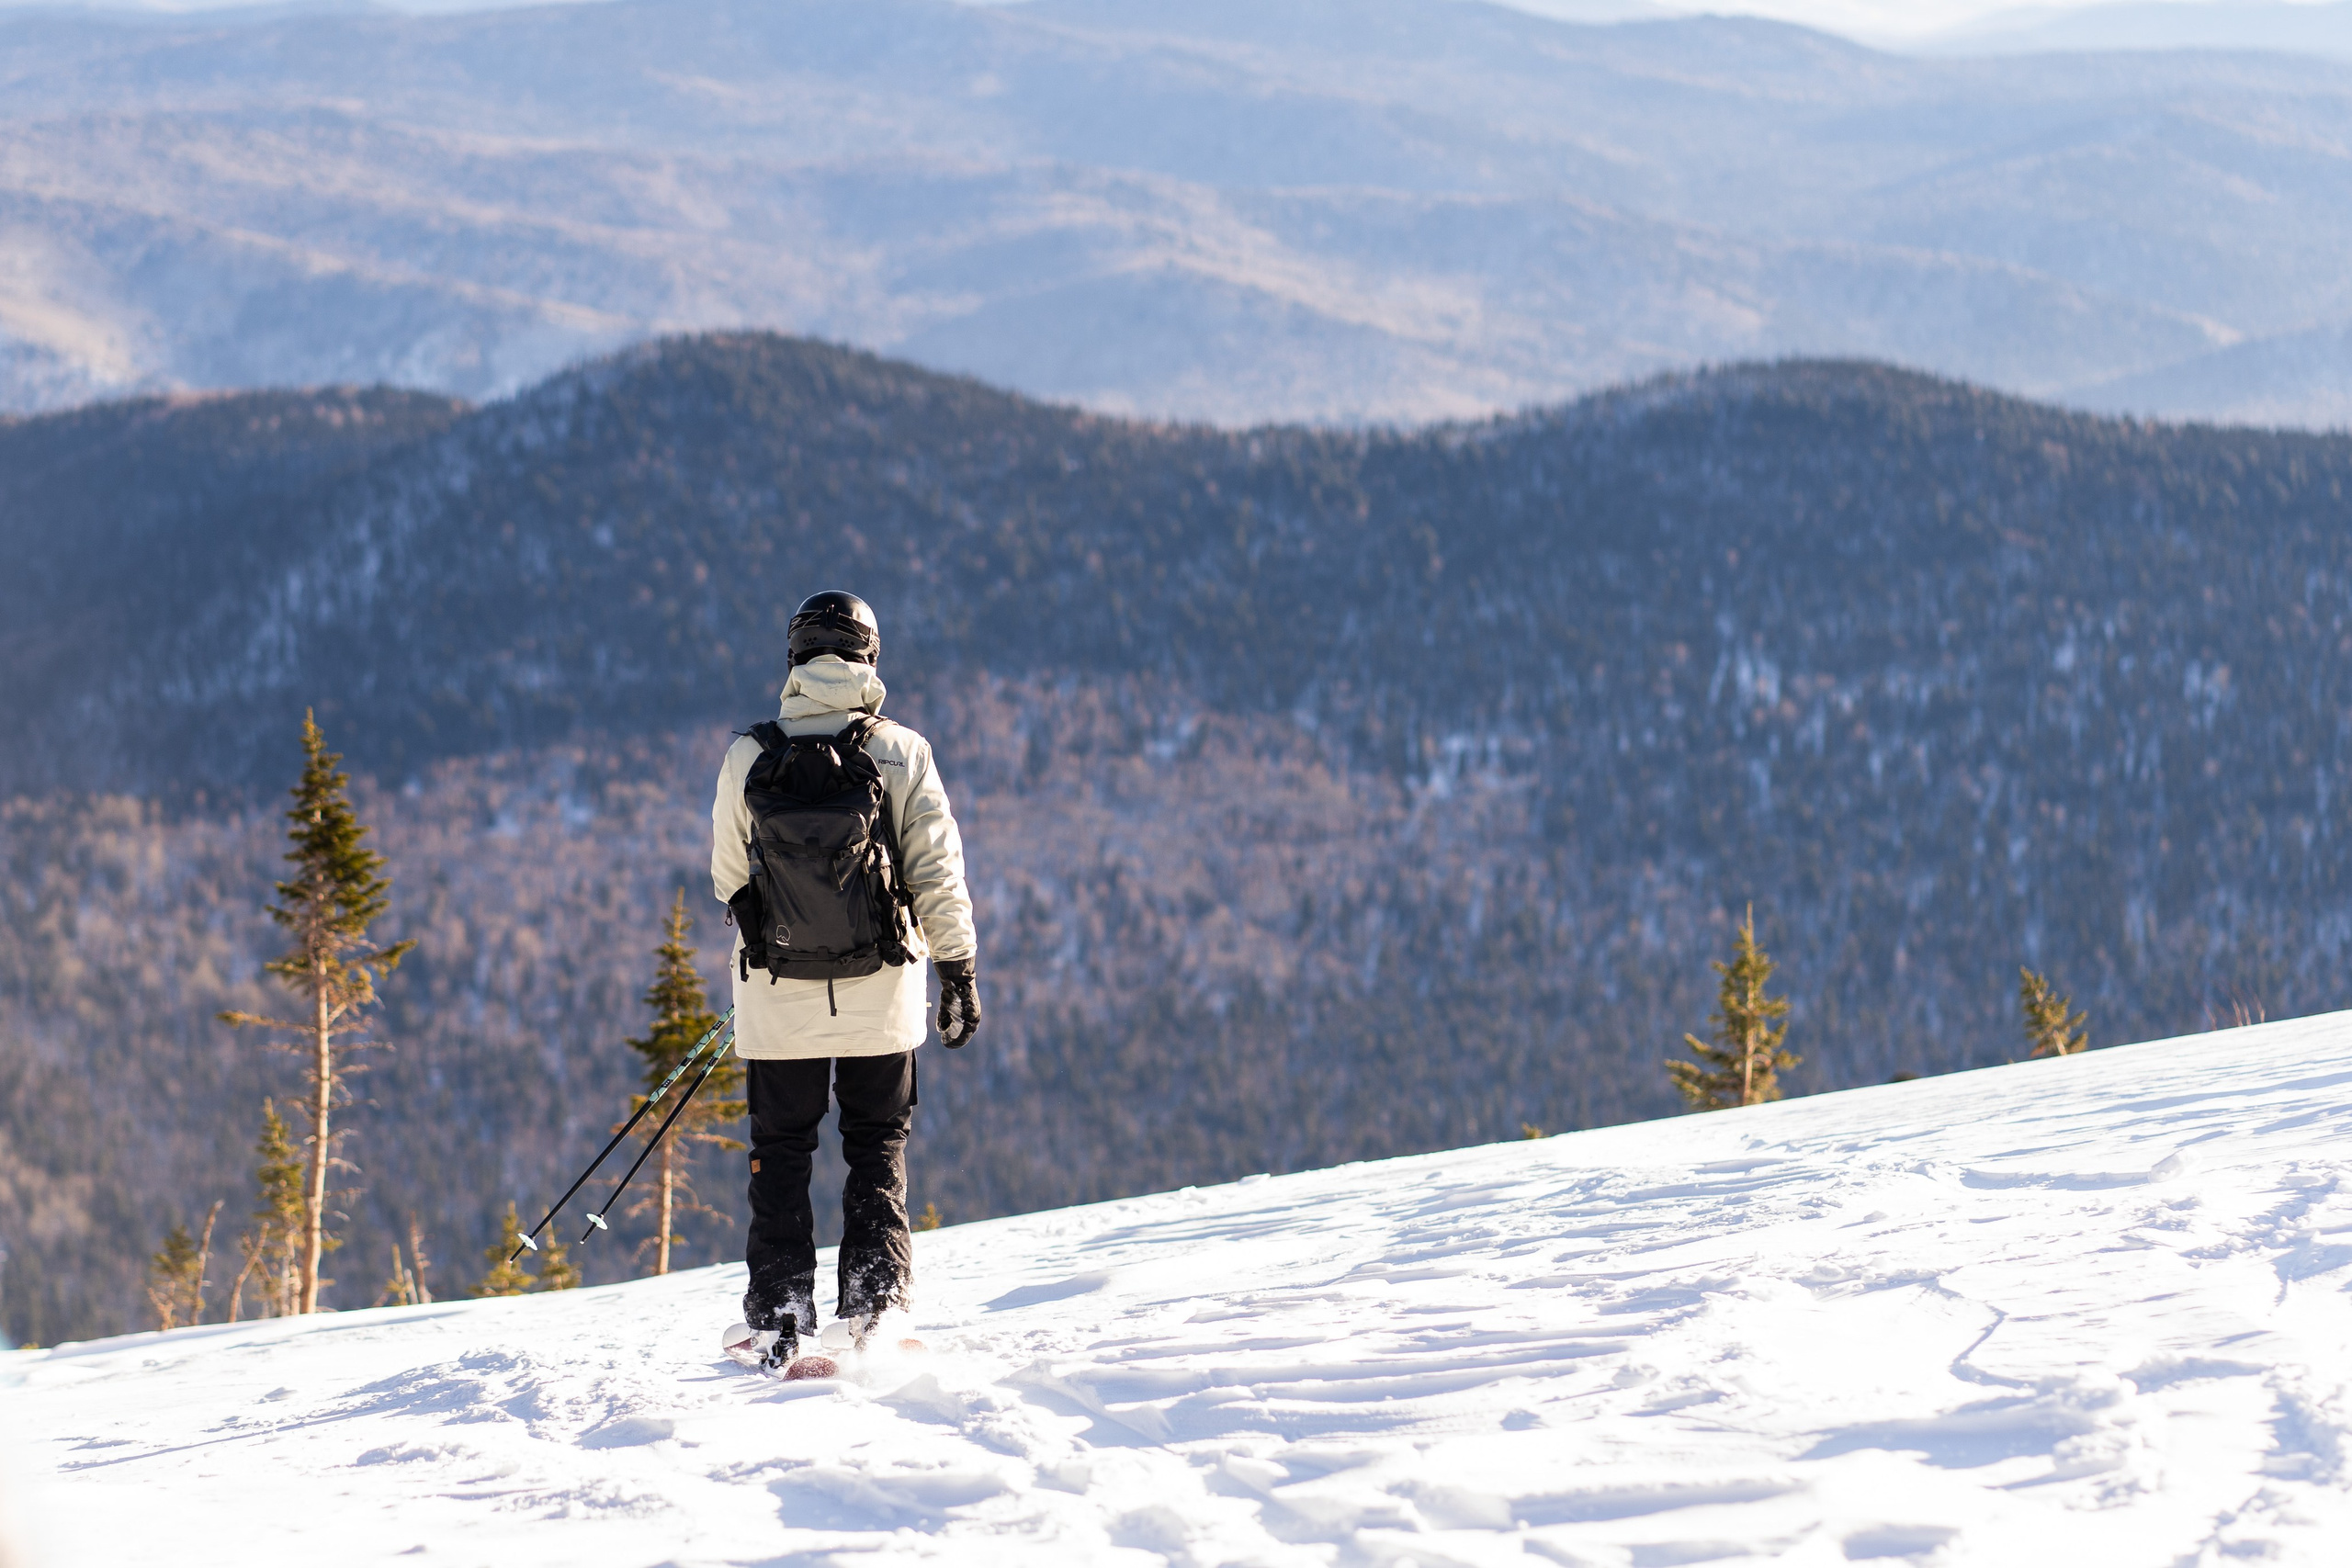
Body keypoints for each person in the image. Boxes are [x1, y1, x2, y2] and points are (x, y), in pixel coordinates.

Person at [712, 591, 979, 1372]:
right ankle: (874, 1308)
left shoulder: (748, 755)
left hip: (775, 1002)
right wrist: (958, 968)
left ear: (795, 658)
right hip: (882, 997)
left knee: (781, 1151)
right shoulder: (901, 751)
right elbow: (936, 873)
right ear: (869, 656)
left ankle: (780, 1319)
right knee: (876, 1146)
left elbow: (728, 875)